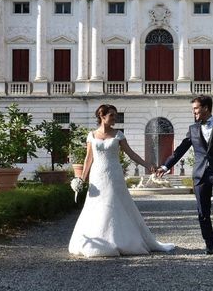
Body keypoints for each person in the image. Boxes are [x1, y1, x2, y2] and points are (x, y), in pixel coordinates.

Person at [69, 104, 175, 257]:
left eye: (115, 115)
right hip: (97, 175)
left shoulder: (118, 135)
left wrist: (147, 165)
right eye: (112, 115)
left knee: (114, 204)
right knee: (96, 205)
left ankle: (119, 240)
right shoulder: (91, 135)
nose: (115, 118)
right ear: (102, 116)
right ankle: (98, 240)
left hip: (114, 175)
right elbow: (88, 159)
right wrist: (82, 178)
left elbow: (131, 154)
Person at [156, 95, 213, 257]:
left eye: (196, 108)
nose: (194, 112)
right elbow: (180, 150)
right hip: (200, 175)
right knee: (202, 211)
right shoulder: (193, 129)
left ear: (206, 108)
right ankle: (209, 244)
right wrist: (165, 166)